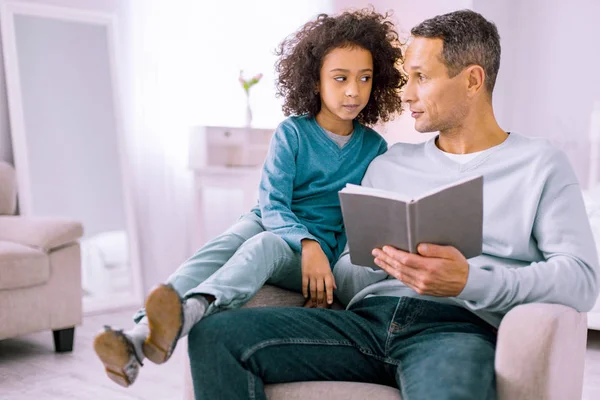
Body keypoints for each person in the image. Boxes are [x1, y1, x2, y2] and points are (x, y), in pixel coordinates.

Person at [185, 9, 600, 400]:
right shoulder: (389, 162)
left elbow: (581, 279)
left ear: (473, 80)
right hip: (364, 321)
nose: (405, 94)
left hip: (456, 329)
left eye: (420, 77)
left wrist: (467, 281)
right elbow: (346, 272)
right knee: (215, 335)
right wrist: (380, 261)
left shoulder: (539, 164)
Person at [93, 8, 405, 388]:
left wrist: (319, 258)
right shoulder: (292, 132)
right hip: (272, 218)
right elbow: (273, 203)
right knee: (224, 244)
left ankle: (189, 313)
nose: (353, 90)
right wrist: (304, 240)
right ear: (315, 81)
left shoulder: (374, 148)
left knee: (265, 247)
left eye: (364, 78)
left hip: (307, 246)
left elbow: (357, 220)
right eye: (340, 78)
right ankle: (140, 336)